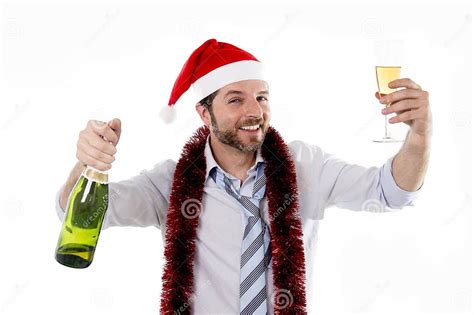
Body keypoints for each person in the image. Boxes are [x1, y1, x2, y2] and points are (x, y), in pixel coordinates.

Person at [55, 38, 432, 314]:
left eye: (262, 97)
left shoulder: (307, 166)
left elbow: (390, 192)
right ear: (205, 114)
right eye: (236, 99)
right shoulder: (170, 183)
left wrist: (420, 134)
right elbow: (77, 212)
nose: (255, 110)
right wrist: (89, 163)